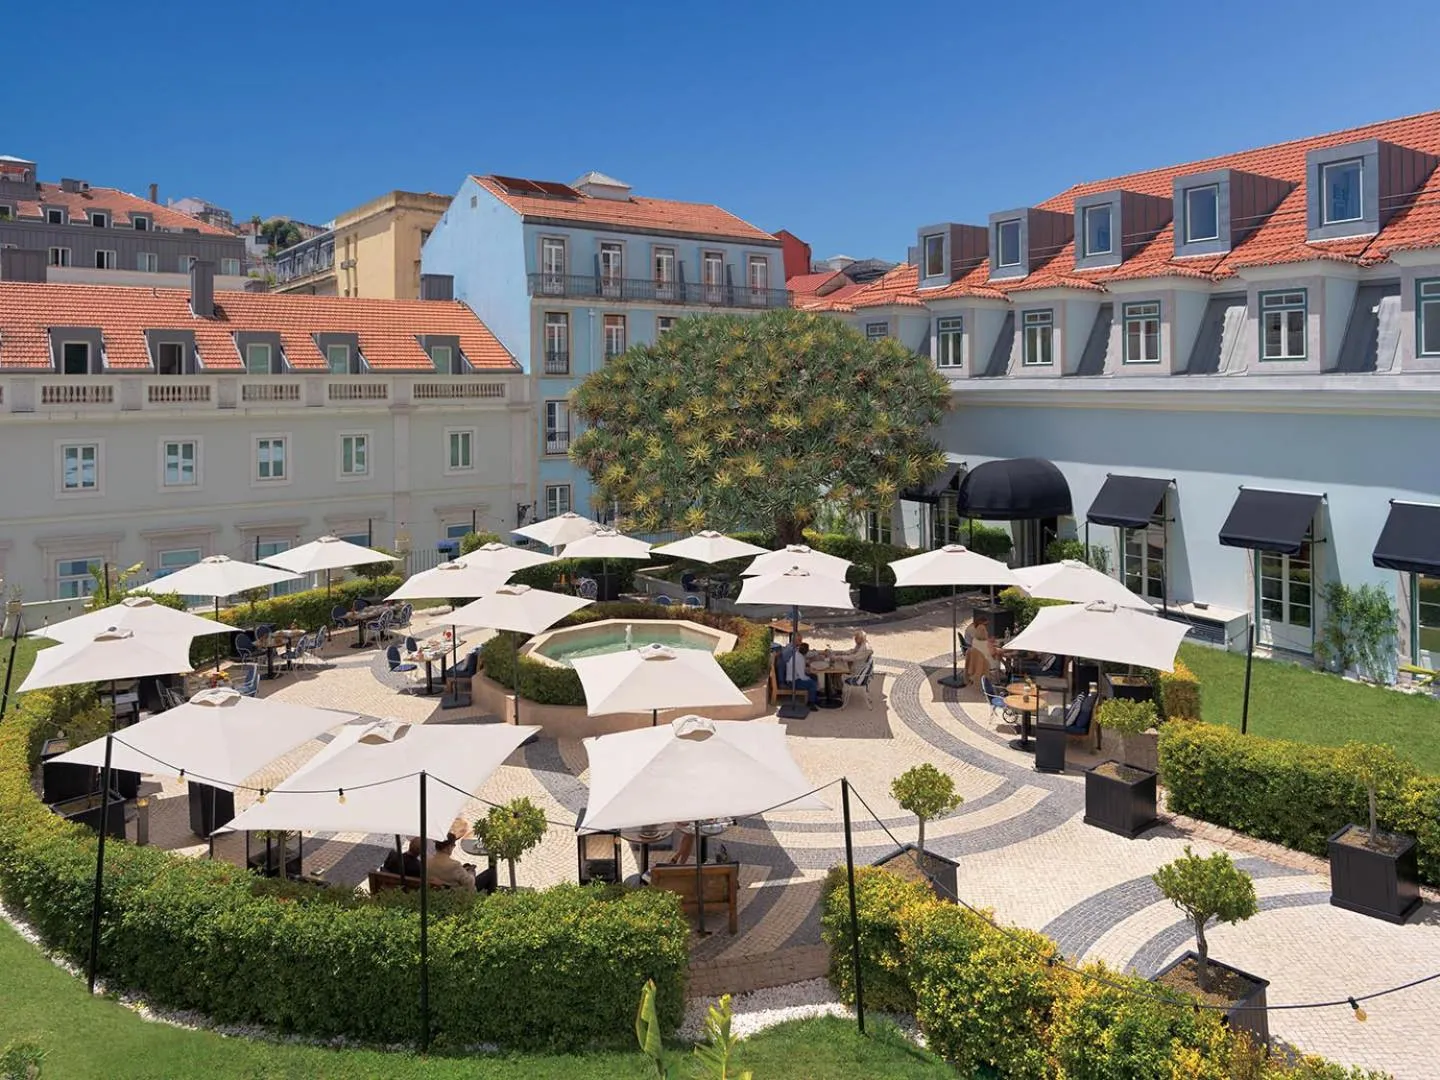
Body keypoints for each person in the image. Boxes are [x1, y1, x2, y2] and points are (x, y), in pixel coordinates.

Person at [777, 638, 819, 708]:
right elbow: (802, 676)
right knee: (812, 683)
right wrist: (809, 678)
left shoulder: (797, 655)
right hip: (793, 682)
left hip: (795, 678)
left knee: (814, 676)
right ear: (806, 651)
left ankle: (815, 697)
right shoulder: (800, 659)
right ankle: (810, 703)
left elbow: (801, 672)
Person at [964, 615, 996, 684]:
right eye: (985, 624)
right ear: (981, 623)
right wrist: (990, 641)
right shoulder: (973, 630)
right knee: (996, 654)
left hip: (973, 648)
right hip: (973, 649)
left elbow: (980, 638)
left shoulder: (976, 631)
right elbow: (981, 639)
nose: (986, 626)